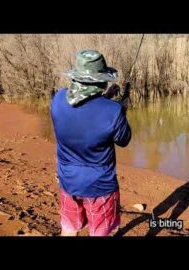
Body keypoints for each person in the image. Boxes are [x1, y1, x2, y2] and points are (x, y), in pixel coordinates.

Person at [51, 49, 131, 236]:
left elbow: (84, 111)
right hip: (99, 186)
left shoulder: (57, 99)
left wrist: (107, 100)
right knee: (100, 233)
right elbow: (124, 140)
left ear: (77, 77)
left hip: (67, 181)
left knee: (69, 229)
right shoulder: (113, 112)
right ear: (102, 80)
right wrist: (121, 109)